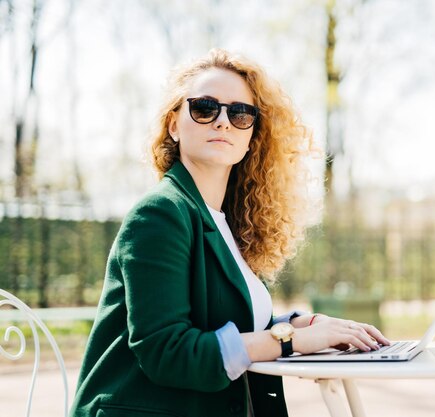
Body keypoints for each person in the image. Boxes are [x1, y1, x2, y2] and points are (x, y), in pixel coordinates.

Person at [70, 48, 390, 417]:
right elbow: (167, 353)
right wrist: (292, 341)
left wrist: (304, 323)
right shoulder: (160, 214)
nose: (223, 122)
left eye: (240, 114)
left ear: (252, 135)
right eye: (205, 108)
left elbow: (233, 323)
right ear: (174, 125)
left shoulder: (228, 222)